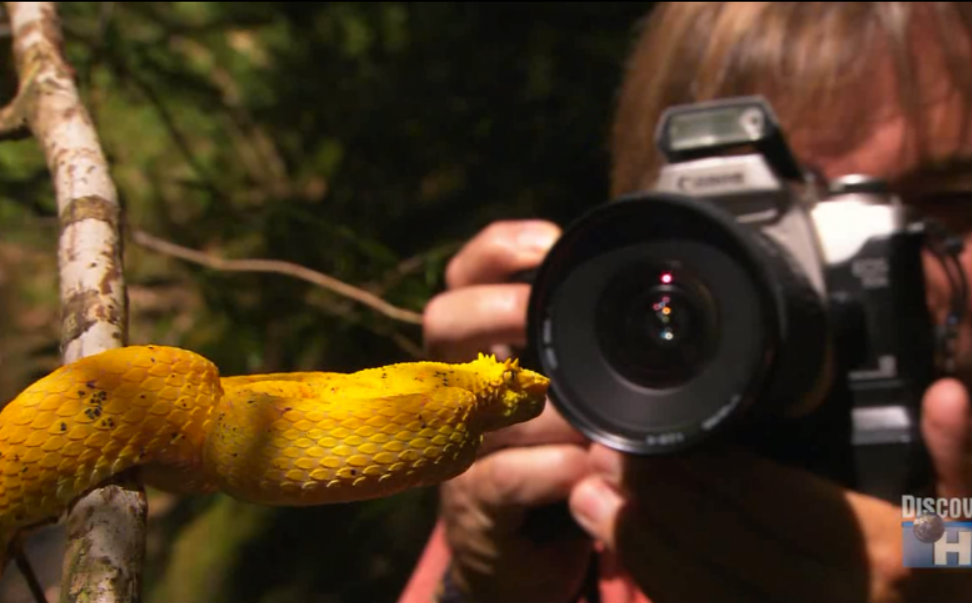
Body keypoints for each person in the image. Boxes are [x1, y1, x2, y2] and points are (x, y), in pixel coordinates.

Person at [400, 2, 972, 601]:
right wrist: (492, 587)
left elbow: (928, 544)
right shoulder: (589, 472)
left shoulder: (941, 517)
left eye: (948, 202)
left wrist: (948, 569)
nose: (906, 272)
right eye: (749, 241)